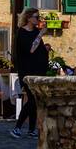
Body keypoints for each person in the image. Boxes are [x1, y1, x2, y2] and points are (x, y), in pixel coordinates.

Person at [12, 8, 50, 139]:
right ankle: (17, 127)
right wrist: (41, 34)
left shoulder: (35, 31)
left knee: (35, 100)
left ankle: (31, 129)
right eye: (36, 17)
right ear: (28, 18)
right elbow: (31, 49)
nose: (38, 19)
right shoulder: (22, 32)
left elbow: (38, 49)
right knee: (32, 100)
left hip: (38, 71)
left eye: (38, 17)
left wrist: (45, 48)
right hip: (27, 71)